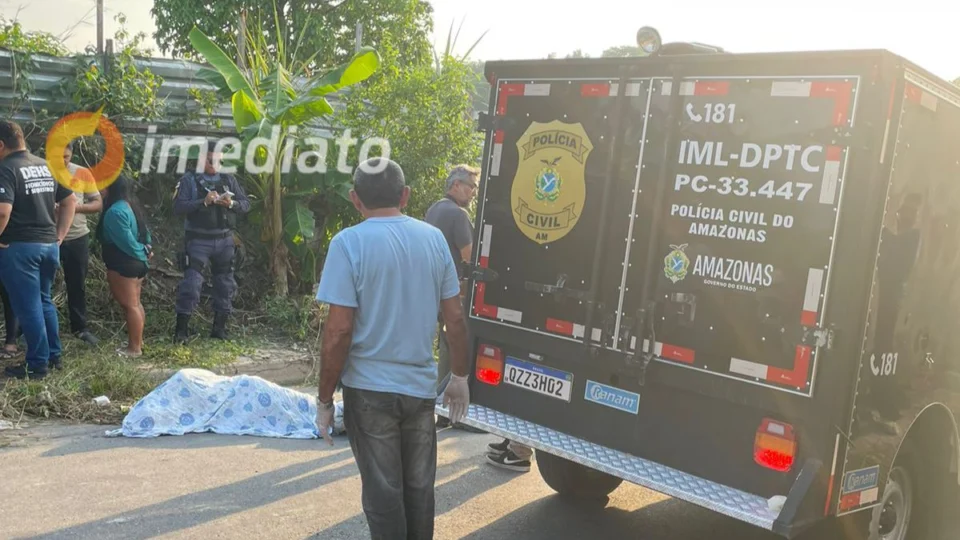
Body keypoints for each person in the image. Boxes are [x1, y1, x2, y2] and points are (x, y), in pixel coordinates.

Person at [315, 157, 471, 540]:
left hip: (369, 392)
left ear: (355, 198)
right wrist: (460, 377)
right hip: (419, 390)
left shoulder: (348, 243)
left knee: (384, 496)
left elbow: (338, 332)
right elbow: (455, 319)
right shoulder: (433, 240)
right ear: (406, 196)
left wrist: (324, 400)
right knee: (419, 492)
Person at [0, 120, 77, 380]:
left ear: (1, 145)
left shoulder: (6, 168)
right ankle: (53, 356)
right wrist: (59, 236)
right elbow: (70, 201)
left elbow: (3, 211)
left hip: (20, 248)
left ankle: (37, 365)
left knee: (28, 306)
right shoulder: (47, 166)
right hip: (48, 246)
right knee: (44, 301)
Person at [172, 142, 249, 343]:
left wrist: (231, 203)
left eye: (218, 161)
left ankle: (219, 329)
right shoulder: (189, 180)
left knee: (225, 285)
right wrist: (203, 202)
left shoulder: (228, 179)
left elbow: (245, 204)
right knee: (191, 285)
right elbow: (178, 207)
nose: (215, 164)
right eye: (210, 160)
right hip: (198, 241)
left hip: (225, 240)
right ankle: (181, 331)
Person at [97, 175, 152, 357]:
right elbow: (145, 233)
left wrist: (142, 252)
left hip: (124, 264)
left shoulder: (115, 212)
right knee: (135, 303)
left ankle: (134, 348)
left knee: (130, 306)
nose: (99, 189)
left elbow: (127, 243)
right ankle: (138, 341)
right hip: (136, 263)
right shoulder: (130, 205)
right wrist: (147, 250)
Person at [59, 141, 101, 345]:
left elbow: (97, 203)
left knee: (77, 284)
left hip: (77, 237)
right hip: (47, 236)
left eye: (66, 157)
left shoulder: (82, 172)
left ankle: (80, 328)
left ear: (72, 154)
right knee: (40, 284)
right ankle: (33, 328)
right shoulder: (41, 170)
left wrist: (74, 208)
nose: (62, 161)